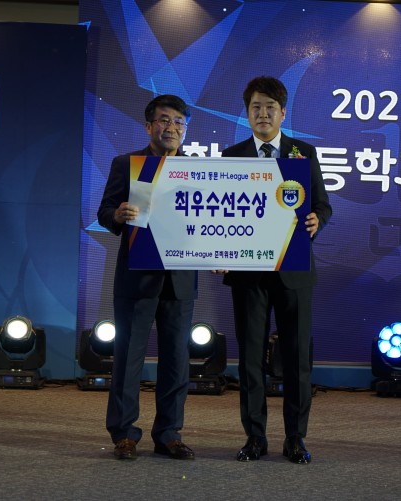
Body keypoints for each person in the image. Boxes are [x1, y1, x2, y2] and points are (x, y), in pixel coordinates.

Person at [221, 76, 332, 464]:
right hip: (248, 274)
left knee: (297, 359)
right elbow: (222, 212)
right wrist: (218, 250)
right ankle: (255, 437)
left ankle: (295, 438)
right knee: (251, 360)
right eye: (256, 107)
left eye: (270, 107)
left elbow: (323, 205)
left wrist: (318, 220)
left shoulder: (303, 153)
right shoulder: (231, 157)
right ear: (247, 113)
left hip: (294, 271)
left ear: (283, 113)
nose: (263, 114)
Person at [97, 94, 198, 460]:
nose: (172, 128)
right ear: (149, 126)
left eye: (179, 122)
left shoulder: (199, 170)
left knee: (176, 361)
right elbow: (105, 211)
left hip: (180, 280)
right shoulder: (127, 164)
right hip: (137, 277)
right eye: (164, 120)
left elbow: (208, 221)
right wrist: (117, 215)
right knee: (128, 360)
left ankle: (169, 433)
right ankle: (124, 434)